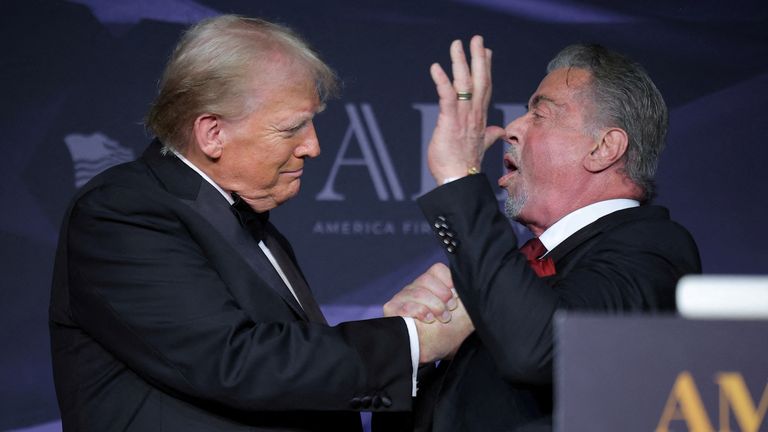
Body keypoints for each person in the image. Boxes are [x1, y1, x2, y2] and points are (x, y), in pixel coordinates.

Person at [49, 15, 471, 432]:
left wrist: (405, 342)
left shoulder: (248, 220)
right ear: (212, 133)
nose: (313, 146)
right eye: (292, 128)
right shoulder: (122, 212)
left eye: (312, 122)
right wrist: (410, 341)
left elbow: (295, 390)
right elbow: (230, 361)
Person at [382, 37, 701, 431]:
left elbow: (538, 349)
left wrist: (458, 176)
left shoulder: (653, 249)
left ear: (604, 147)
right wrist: (415, 358)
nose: (512, 128)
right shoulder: (511, 276)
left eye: (540, 114)